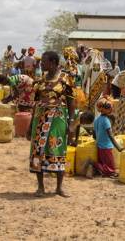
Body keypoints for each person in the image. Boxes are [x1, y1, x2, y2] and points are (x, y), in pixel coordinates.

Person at [29, 51, 75, 197]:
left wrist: (72, 122)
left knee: (58, 149)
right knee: (38, 150)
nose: (41, 64)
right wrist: (30, 124)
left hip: (57, 119)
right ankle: (40, 187)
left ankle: (59, 187)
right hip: (40, 119)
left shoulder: (65, 79)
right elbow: (36, 103)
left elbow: (70, 101)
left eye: (44, 61)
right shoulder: (40, 80)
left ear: (54, 62)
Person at [87, 97, 123, 178]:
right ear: (104, 109)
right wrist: (119, 147)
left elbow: (94, 134)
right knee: (111, 169)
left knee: (106, 165)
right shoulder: (106, 121)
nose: (111, 110)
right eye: (110, 108)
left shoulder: (96, 120)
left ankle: (96, 167)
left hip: (100, 146)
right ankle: (93, 164)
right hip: (106, 147)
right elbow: (111, 136)